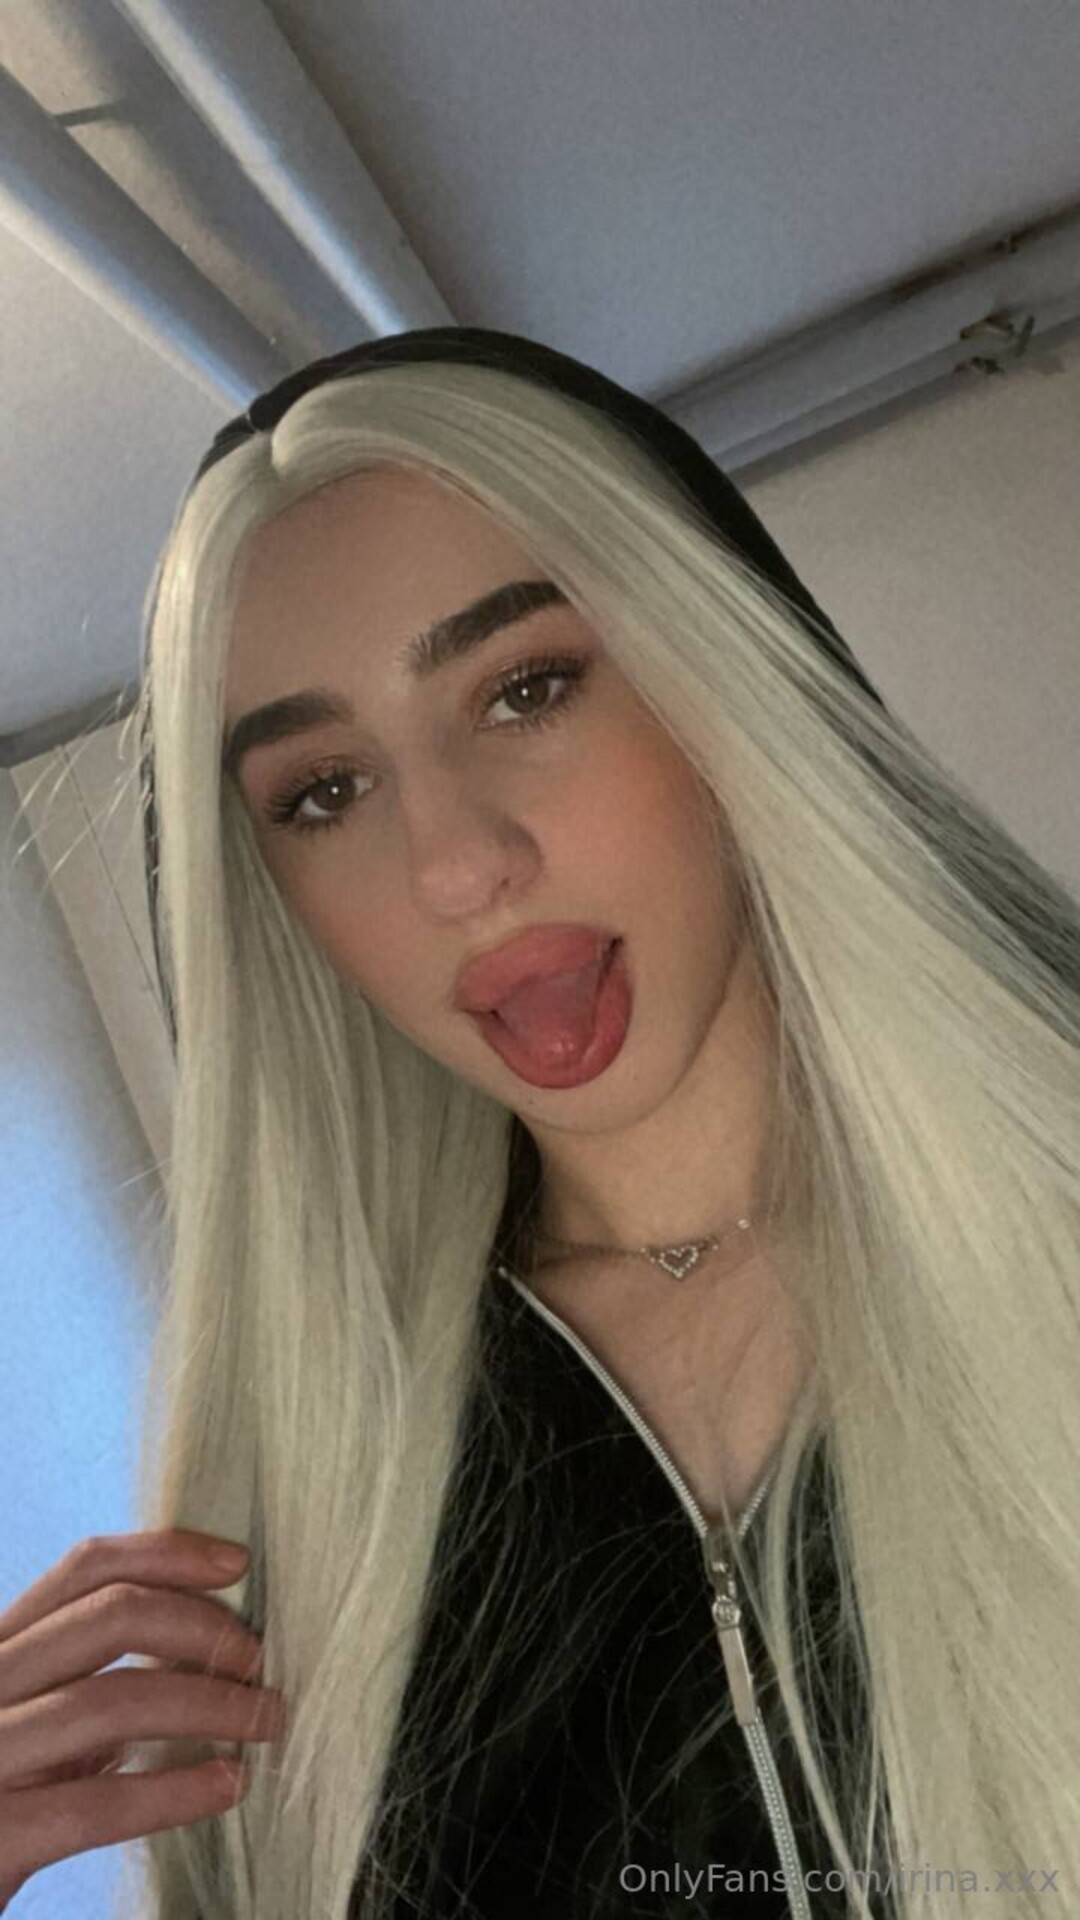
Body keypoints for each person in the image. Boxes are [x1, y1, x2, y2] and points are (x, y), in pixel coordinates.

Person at [0, 327, 1077, 1920]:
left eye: (526, 688)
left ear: (719, 671)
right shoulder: (312, 1538)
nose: (455, 865)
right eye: (323, 792)